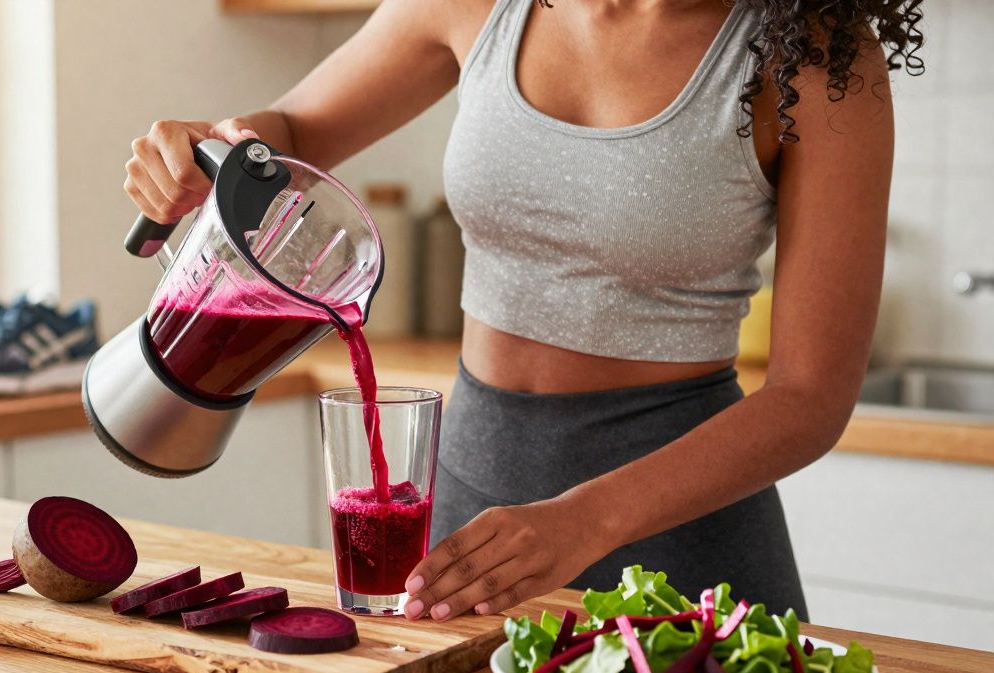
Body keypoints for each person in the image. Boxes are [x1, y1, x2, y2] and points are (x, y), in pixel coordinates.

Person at [122, 0, 924, 622]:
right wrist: (218, 149)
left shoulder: (817, 57)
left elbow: (811, 396)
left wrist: (585, 520)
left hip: (681, 538)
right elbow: (295, 130)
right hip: (473, 510)